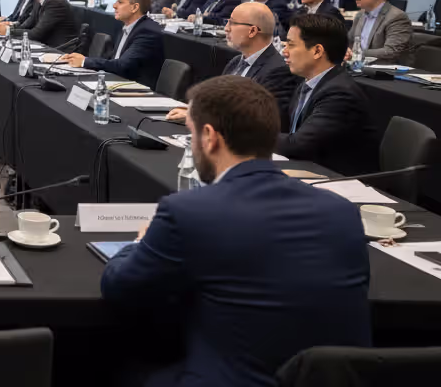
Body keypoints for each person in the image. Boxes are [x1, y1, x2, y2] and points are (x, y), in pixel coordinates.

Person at [101, 76, 371, 387]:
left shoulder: (187, 211)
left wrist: (139, 241)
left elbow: (120, 287)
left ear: (209, 137)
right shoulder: (343, 211)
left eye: (191, 133)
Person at [168, 2, 299, 130]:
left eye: (232, 23)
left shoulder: (277, 71)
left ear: (252, 31)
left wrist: (201, 117)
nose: (226, 28)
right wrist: (195, 110)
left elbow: (259, 122)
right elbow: (219, 103)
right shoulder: (235, 62)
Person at [280, 13, 380, 176]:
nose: (284, 52)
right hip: (310, 169)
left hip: (339, 180)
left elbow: (299, 145)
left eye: (290, 45)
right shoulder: (308, 83)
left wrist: (248, 138)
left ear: (317, 51)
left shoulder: (340, 93)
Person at [63, 0, 164, 87]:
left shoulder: (147, 31)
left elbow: (122, 65)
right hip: (117, 83)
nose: (114, 6)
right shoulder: (127, 27)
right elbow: (113, 61)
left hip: (135, 90)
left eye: (120, 2)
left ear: (134, 7)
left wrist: (85, 61)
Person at [346, 0, 413, 65]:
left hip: (384, 69)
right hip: (358, 66)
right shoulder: (360, 15)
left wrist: (356, 53)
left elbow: (391, 51)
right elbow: (349, 41)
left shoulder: (397, 17)